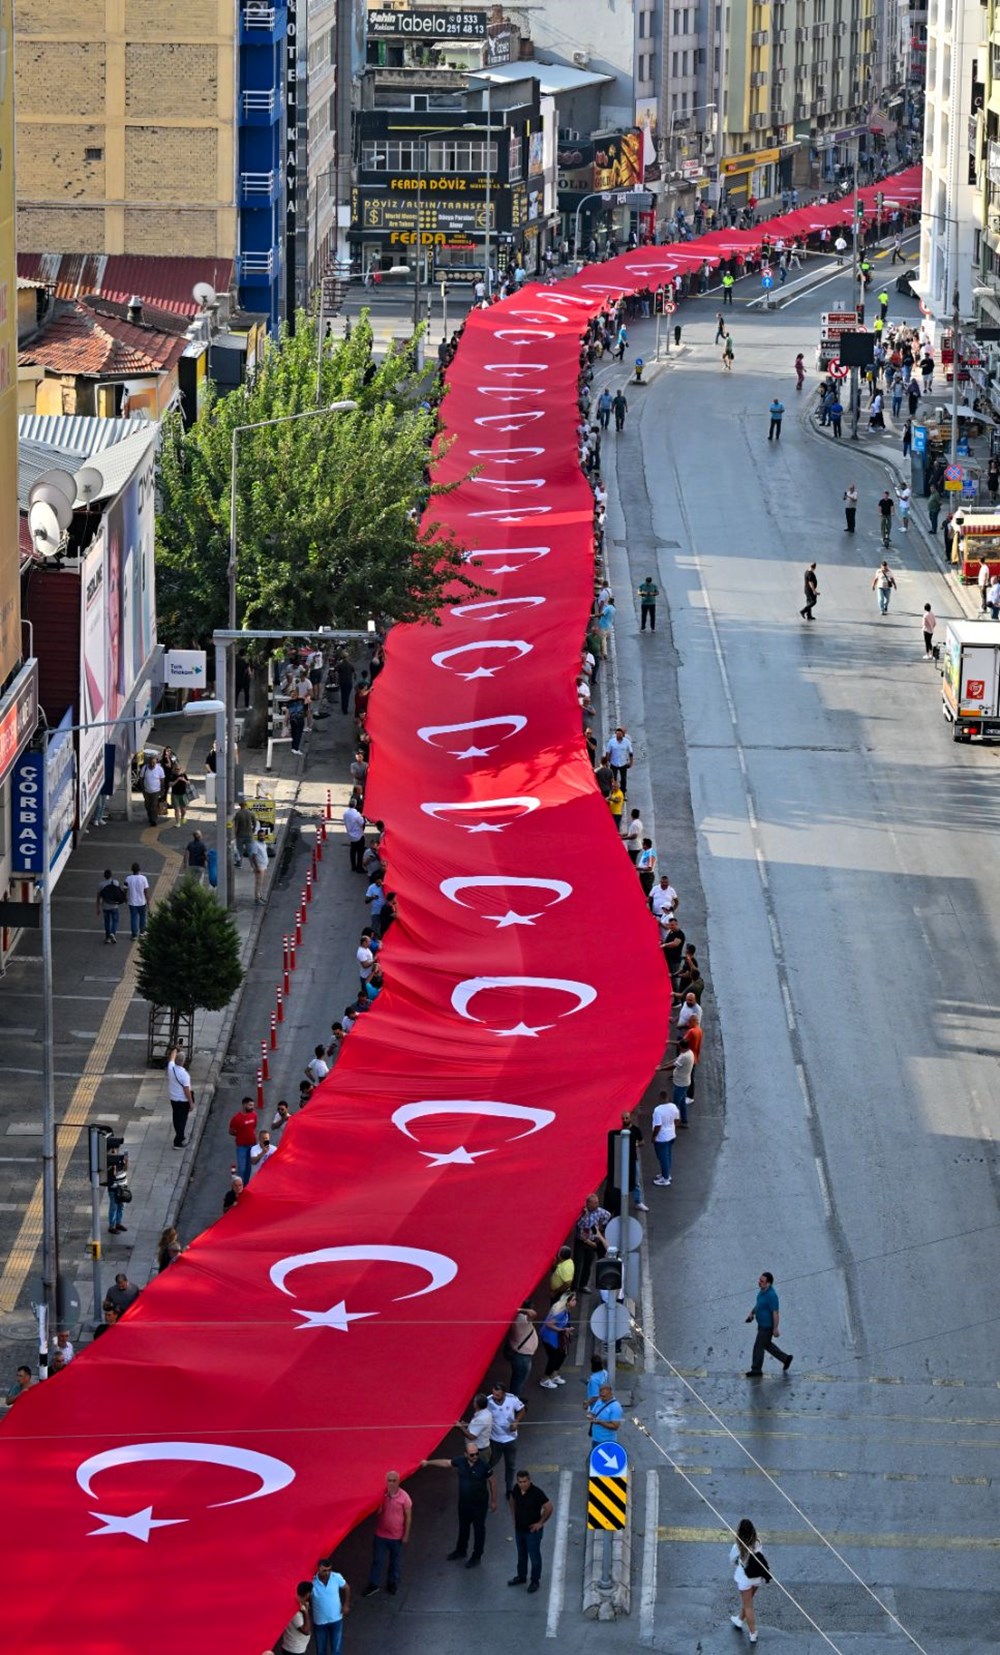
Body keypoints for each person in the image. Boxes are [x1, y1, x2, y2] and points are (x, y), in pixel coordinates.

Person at [421, 1441, 497, 1567]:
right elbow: (446, 1463)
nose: (475, 1457)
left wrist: (494, 1501)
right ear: (465, 1454)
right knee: (463, 1527)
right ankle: (461, 1550)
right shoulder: (460, 1461)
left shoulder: (484, 1466)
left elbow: (492, 1482)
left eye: (476, 1454)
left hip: (479, 1504)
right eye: (472, 1455)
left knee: (479, 1530)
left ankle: (477, 1555)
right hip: (464, 1503)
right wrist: (428, 1463)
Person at [363, 1471, 412, 1597]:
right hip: (381, 1535)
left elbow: (408, 1517)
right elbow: (377, 1512)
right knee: (377, 1560)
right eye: (389, 1481)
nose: (391, 1483)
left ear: (398, 1481)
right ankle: (373, 1584)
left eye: (393, 1480)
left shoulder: (404, 1497)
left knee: (395, 1561)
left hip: (396, 1536)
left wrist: (406, 1534)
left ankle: (392, 1583)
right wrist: (381, 1500)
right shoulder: (382, 1495)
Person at [508, 1471, 553, 1593]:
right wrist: (514, 1517)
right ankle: (521, 1576)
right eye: (520, 1482)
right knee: (521, 1555)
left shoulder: (536, 1493)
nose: (522, 1484)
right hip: (519, 1530)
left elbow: (549, 1507)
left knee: (534, 1556)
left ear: (529, 1480)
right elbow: (512, 1500)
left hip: (532, 1531)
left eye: (524, 1482)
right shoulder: (516, 1489)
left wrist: (540, 1523)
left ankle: (535, 1581)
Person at [729, 1517, 769, 1644]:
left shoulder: (737, 1547)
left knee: (748, 1606)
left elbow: (732, 1560)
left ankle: (753, 1633)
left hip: (745, 1579)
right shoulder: (758, 1543)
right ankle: (739, 1620)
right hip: (757, 1578)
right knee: (748, 1601)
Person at [745, 1270, 792, 1376]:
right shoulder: (762, 1291)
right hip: (761, 1325)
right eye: (759, 1280)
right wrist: (752, 1313)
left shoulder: (772, 1296)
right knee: (767, 1345)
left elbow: (775, 1313)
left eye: (762, 1281)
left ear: (768, 1283)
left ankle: (756, 1369)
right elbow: (759, 1305)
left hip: (767, 1327)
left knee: (758, 1346)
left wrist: (775, 1328)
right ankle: (786, 1359)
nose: (759, 1282)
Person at [487, 1383, 525, 1499]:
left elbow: (522, 1410)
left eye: (497, 1395)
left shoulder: (512, 1399)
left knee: (511, 1465)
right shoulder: (488, 1401)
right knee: (491, 1462)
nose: (494, 1396)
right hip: (495, 1440)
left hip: (510, 1439)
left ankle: (509, 1489)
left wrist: (516, 1421)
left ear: (504, 1394)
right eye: (493, 1394)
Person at [310, 1558, 350, 1655]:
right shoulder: (311, 1582)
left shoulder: (336, 1577)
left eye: (329, 1570)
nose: (327, 1573)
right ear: (318, 1569)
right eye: (324, 1570)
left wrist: (346, 1604)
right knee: (321, 1651)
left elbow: (346, 1587)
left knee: (336, 1651)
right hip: (320, 1621)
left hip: (336, 1619)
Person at [573, 1193, 610, 1290]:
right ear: (588, 1204)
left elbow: (608, 1215)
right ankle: (574, 1288)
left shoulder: (599, 1211)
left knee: (588, 1264)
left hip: (592, 1241)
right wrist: (585, 1216)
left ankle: (583, 1285)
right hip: (581, 1242)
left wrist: (601, 1227)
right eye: (595, 1203)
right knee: (578, 1265)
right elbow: (579, 1225)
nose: (597, 1204)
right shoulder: (582, 1213)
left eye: (597, 1202)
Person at [538, 1292, 574, 1387]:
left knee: (562, 1355)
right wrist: (562, 1330)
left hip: (556, 1337)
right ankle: (545, 1379)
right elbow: (549, 1324)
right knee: (554, 1358)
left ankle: (554, 1374)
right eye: (573, 1300)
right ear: (567, 1302)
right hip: (550, 1338)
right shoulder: (561, 1312)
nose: (575, 1302)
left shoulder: (566, 1311)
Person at [505, 1305, 539, 1396]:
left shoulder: (514, 1318)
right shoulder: (522, 1319)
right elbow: (533, 1313)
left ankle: (516, 1397)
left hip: (518, 1353)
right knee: (519, 1380)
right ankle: (515, 1399)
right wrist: (520, 1309)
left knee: (517, 1379)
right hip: (523, 1355)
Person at [651, 1088, 680, 1185]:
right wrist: (672, 1126)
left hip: (661, 1137)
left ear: (660, 1098)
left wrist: (654, 1136)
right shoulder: (673, 1107)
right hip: (671, 1134)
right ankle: (666, 1173)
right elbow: (677, 1120)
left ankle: (665, 1178)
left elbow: (658, 1126)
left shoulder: (658, 1110)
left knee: (662, 1157)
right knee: (668, 1155)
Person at [166, 1046, 193, 1148]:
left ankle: (179, 1135)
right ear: (183, 1061)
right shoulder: (184, 1074)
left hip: (173, 1099)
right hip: (182, 1100)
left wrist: (175, 1049)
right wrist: (191, 1102)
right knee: (182, 1120)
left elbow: (172, 1058)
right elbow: (186, 1090)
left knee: (176, 1118)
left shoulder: (171, 1068)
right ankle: (178, 1141)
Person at [228, 1096, 259, 1184]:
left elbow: (254, 1127)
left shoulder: (254, 1115)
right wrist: (240, 1135)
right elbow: (231, 1131)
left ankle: (245, 1185)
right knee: (242, 1168)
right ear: (244, 1105)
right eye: (250, 1105)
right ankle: (239, 1187)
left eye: (253, 1105)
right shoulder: (236, 1118)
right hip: (241, 1146)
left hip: (252, 1145)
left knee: (249, 1167)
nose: (252, 1107)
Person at [280, 1583, 313, 1654]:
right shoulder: (296, 1612)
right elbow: (306, 1631)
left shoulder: (296, 1603)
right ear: (308, 1594)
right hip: (294, 1650)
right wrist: (306, 1613)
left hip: (293, 1647)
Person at [95, 868, 126, 944]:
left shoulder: (101, 885)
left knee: (107, 921)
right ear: (111, 875)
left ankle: (107, 937)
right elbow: (118, 893)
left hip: (105, 906)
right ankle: (113, 933)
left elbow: (98, 897)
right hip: (114, 905)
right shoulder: (115, 882)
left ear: (104, 876)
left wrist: (98, 908)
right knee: (115, 920)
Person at [125, 861, 150, 938]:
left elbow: (125, 889)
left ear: (132, 870)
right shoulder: (143, 878)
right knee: (143, 917)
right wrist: (148, 901)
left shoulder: (128, 878)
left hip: (132, 902)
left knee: (133, 918)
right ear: (139, 869)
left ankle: (134, 935)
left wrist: (125, 897)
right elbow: (146, 891)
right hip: (142, 902)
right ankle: (142, 932)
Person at [141, 753, 164, 826]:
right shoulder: (144, 768)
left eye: (154, 762)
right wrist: (143, 789)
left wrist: (162, 789)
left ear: (156, 762)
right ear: (148, 762)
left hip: (156, 791)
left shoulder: (159, 769)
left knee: (154, 806)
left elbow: (162, 780)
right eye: (151, 762)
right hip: (146, 791)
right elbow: (141, 779)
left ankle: (153, 820)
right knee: (147, 805)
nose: (152, 764)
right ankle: (150, 816)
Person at [249, 827, 269, 904]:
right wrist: (257, 867)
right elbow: (253, 856)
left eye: (263, 835)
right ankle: (257, 899)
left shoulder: (264, 844)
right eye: (261, 836)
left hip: (264, 866)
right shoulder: (255, 844)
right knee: (258, 883)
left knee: (261, 883)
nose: (262, 837)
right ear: (258, 836)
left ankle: (259, 896)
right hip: (259, 867)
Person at [233, 799, 256, 866]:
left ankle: (239, 863)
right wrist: (253, 830)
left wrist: (234, 835)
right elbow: (255, 823)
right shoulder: (251, 813)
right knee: (250, 851)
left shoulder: (238, 814)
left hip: (240, 835)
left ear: (239, 805)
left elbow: (236, 826)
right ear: (246, 805)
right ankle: (253, 865)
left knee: (240, 850)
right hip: (249, 834)